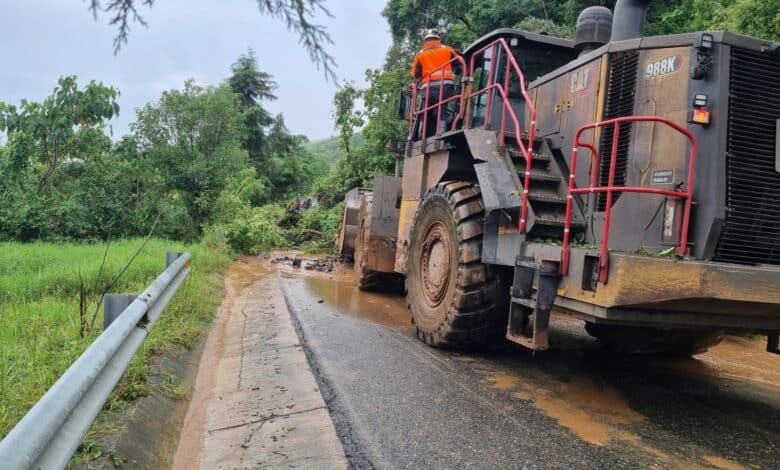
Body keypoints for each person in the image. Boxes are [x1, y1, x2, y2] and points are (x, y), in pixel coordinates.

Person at [411, 29, 461, 140]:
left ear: (425, 40)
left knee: (426, 111)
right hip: (445, 86)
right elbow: (459, 61)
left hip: (428, 88)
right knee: (442, 109)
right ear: (438, 39)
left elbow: (415, 74)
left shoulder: (420, 54)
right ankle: (441, 132)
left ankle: (422, 133)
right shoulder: (447, 49)